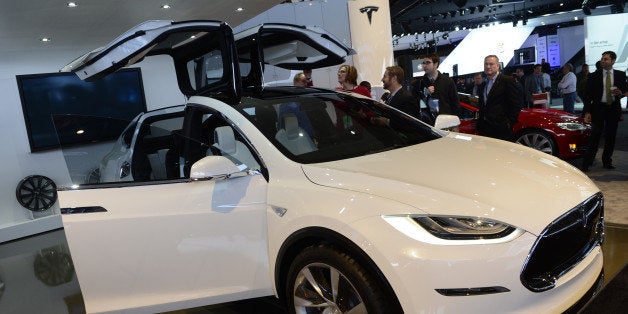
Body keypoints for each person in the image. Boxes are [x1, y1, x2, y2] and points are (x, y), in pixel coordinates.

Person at [581, 51, 628, 171]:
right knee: (595, 136)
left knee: (611, 137)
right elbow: (587, 96)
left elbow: (624, 91)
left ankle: (607, 161)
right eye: (602, 58)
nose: (603, 61)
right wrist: (587, 112)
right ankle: (587, 163)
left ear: (613, 61)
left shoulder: (620, 75)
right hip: (598, 109)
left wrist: (620, 93)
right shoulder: (593, 76)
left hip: (613, 109)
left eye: (606, 59)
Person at [477, 55, 523, 141]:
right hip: (485, 129)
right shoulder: (483, 85)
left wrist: (509, 123)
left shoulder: (507, 80)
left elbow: (516, 104)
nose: (488, 66)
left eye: (491, 64)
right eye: (486, 64)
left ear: (498, 66)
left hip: (502, 129)